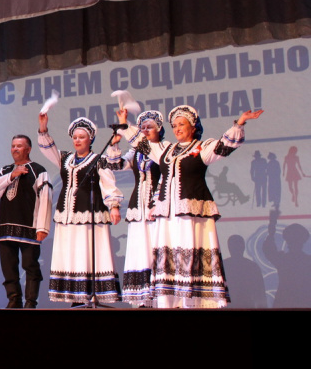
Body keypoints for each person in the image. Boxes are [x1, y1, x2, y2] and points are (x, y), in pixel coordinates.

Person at [116, 104, 263, 308]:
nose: (177, 129)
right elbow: (142, 143)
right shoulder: (165, 150)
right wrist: (124, 125)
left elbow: (225, 146)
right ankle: (170, 302)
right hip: (168, 216)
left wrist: (239, 123)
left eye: (181, 124)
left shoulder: (202, 148)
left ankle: (191, 303)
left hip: (191, 213)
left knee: (190, 251)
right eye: (174, 125)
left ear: (193, 127)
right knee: (168, 257)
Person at [38, 113, 123, 305]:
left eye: (81, 137)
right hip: (67, 215)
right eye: (75, 137)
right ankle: (76, 296)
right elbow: (48, 149)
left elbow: (108, 183)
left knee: (87, 252)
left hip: (90, 214)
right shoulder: (65, 158)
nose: (77, 140)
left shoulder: (99, 159)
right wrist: (43, 128)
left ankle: (91, 294)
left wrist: (114, 206)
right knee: (71, 253)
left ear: (90, 139)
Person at [104, 110, 164, 308]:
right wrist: (114, 144)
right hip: (138, 207)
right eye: (142, 127)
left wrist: (124, 124)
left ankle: (161, 296)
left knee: (157, 248)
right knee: (140, 248)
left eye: (149, 127)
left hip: (158, 207)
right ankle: (142, 299)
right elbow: (116, 165)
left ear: (159, 129)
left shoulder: (164, 149)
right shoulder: (136, 153)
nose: (145, 130)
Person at [0, 135, 52, 308]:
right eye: (13, 146)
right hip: (6, 228)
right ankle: (14, 300)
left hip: (29, 227)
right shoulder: (6, 170)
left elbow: (46, 199)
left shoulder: (38, 170)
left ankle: (30, 302)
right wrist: (12, 175)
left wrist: (43, 227)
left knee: (30, 266)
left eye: (19, 146)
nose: (15, 149)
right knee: (8, 268)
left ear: (28, 149)